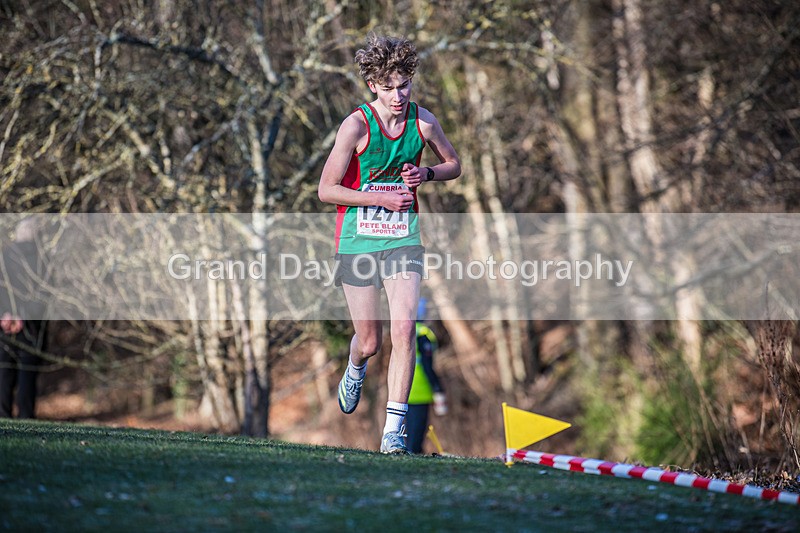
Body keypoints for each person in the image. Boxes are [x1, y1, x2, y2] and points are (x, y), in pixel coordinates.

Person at [318, 33, 461, 454]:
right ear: (373, 86)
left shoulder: (423, 122)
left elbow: (453, 164)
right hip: (358, 239)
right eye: (389, 88)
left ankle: (393, 433)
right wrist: (378, 196)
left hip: (403, 238)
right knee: (371, 341)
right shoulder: (356, 125)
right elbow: (326, 190)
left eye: (404, 85)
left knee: (405, 330)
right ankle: (355, 364)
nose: (398, 95)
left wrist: (428, 175)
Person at [0, 219, 47, 419]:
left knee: (3, 374)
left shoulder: (5, 256)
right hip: (32, 327)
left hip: (5, 326)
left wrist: (6, 314)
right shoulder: (43, 260)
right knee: (27, 375)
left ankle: (2, 415)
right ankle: (26, 417)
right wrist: (23, 315)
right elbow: (44, 296)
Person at [406, 297, 447, 454]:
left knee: (410, 433)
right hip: (419, 392)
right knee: (416, 436)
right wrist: (437, 388)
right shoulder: (423, 334)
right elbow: (427, 366)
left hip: (405, 391)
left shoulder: (406, 330)